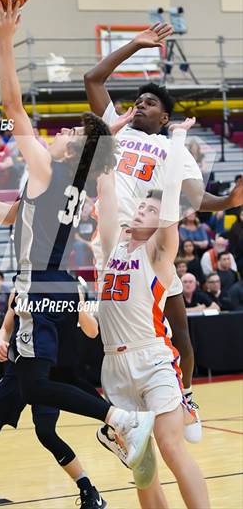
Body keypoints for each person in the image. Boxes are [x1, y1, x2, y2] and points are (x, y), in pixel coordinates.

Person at [0, 0, 156, 496]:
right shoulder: (76, 179)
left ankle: (119, 416)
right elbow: (15, 216)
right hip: (61, 291)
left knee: (33, 389)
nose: (58, 134)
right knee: (35, 389)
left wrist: (5, 41)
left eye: (68, 132)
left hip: (37, 289)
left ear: (72, 149)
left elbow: (13, 106)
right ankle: (117, 421)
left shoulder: (46, 169)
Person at [84, 21, 243, 395]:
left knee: (179, 329)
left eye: (149, 103)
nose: (140, 105)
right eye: (138, 101)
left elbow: (193, 198)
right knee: (114, 326)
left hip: (155, 243)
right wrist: (135, 45)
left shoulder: (176, 151)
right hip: (113, 240)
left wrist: (228, 202)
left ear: (165, 118)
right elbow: (93, 79)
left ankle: (185, 395)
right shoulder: (118, 128)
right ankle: (124, 397)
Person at [95, 119, 210, 508]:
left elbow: (172, 193)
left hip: (153, 358)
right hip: (112, 366)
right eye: (140, 204)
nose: (141, 209)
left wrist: (177, 138)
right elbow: (106, 185)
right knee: (141, 468)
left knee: (171, 447)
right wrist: (107, 136)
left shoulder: (158, 255)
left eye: (149, 209)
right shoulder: (112, 244)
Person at [0, 290, 104, 509]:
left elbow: (92, 331)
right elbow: (5, 329)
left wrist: (77, 306)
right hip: (17, 368)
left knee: (46, 433)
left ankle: (89, 490)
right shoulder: (20, 288)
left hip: (48, 369)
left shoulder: (67, 288)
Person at [73, 200, 97, 267]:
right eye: (83, 209)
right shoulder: (77, 221)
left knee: (98, 244)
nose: (85, 210)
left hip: (91, 241)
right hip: (81, 241)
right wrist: (87, 243)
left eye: (86, 208)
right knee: (79, 245)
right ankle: (80, 268)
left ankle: (96, 268)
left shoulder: (93, 221)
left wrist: (93, 242)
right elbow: (76, 236)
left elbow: (96, 234)